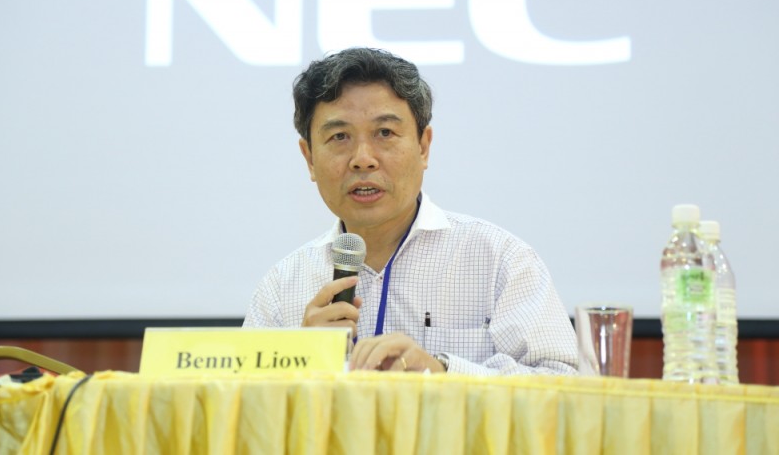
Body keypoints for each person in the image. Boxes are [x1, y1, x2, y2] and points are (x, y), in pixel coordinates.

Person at [243, 47, 578, 375]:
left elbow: (563, 384)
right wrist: (299, 361)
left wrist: (442, 372)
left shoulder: (502, 262)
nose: (363, 159)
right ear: (310, 159)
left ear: (423, 147)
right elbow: (241, 402)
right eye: (340, 136)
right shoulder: (280, 289)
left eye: (385, 133)